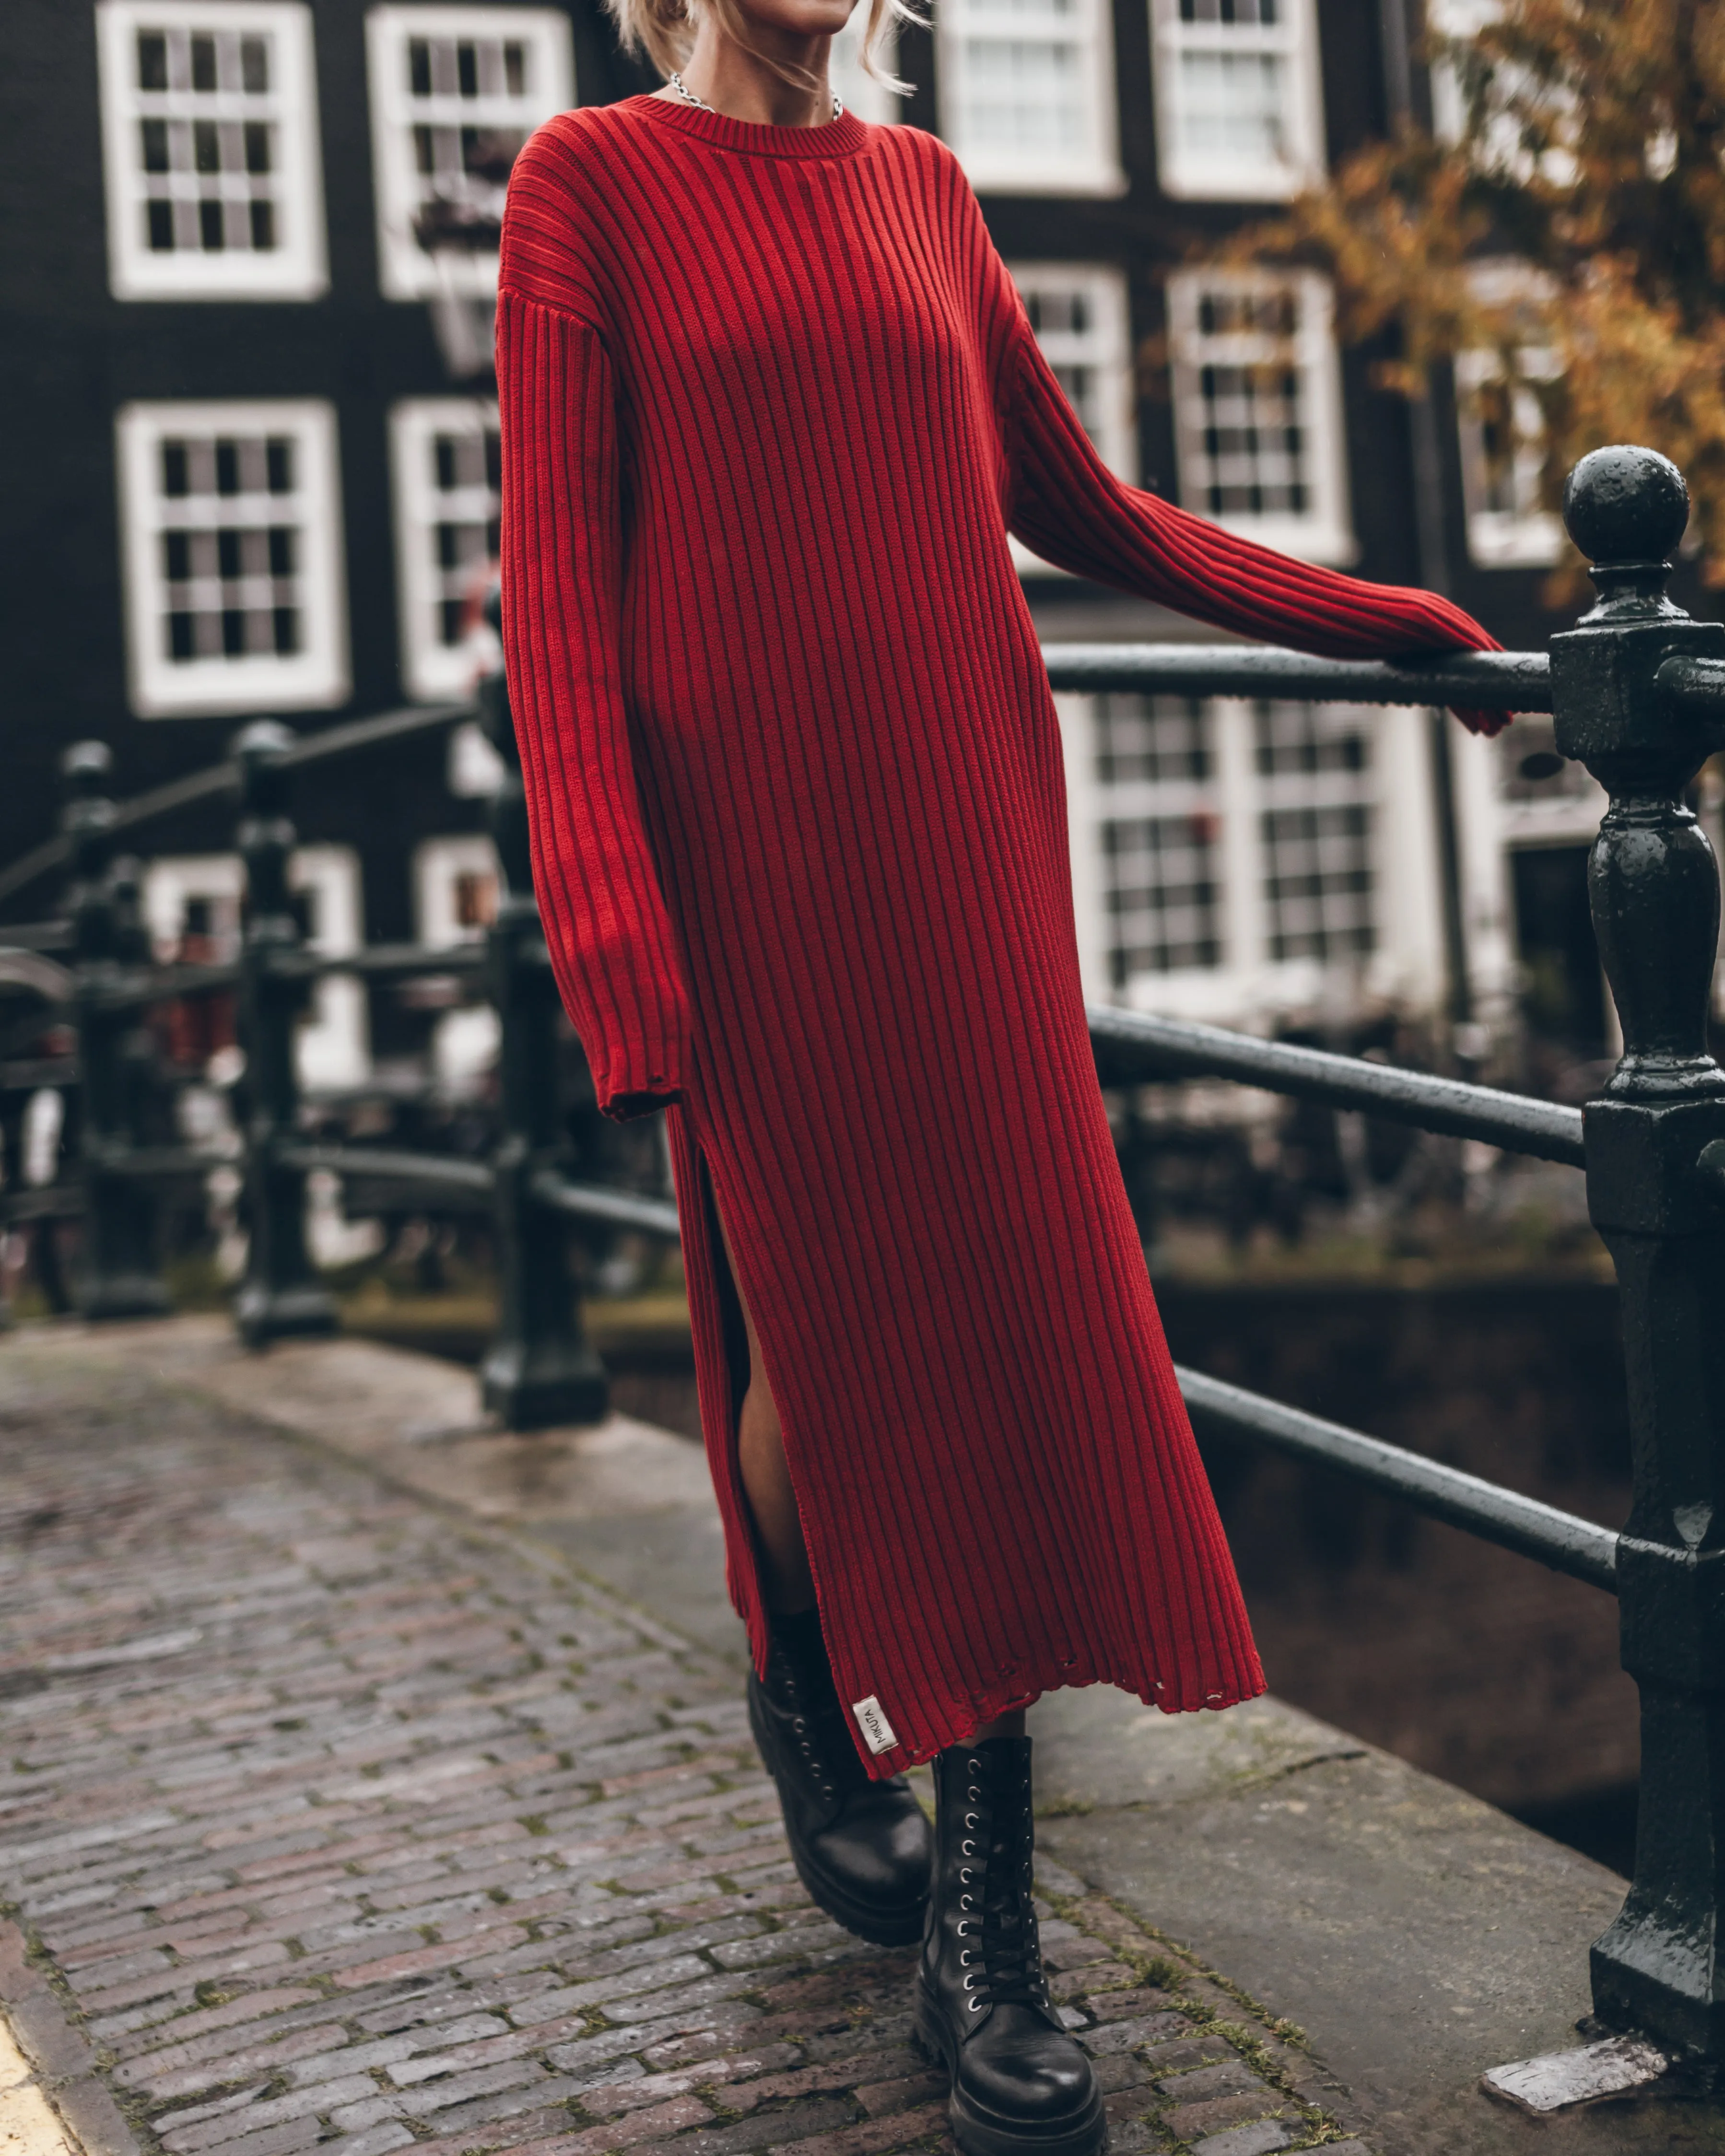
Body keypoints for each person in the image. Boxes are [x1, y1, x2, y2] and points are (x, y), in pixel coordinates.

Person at [494, 0, 1509, 2145]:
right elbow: (554, 592)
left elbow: (1090, 508)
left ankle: (986, 1910)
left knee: (1001, 1333)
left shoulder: (924, 194)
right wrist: (607, 918)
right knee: (838, 1341)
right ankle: (801, 1663)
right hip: (745, 846)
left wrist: (1389, 628)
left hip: (959, 821)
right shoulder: (585, 188)